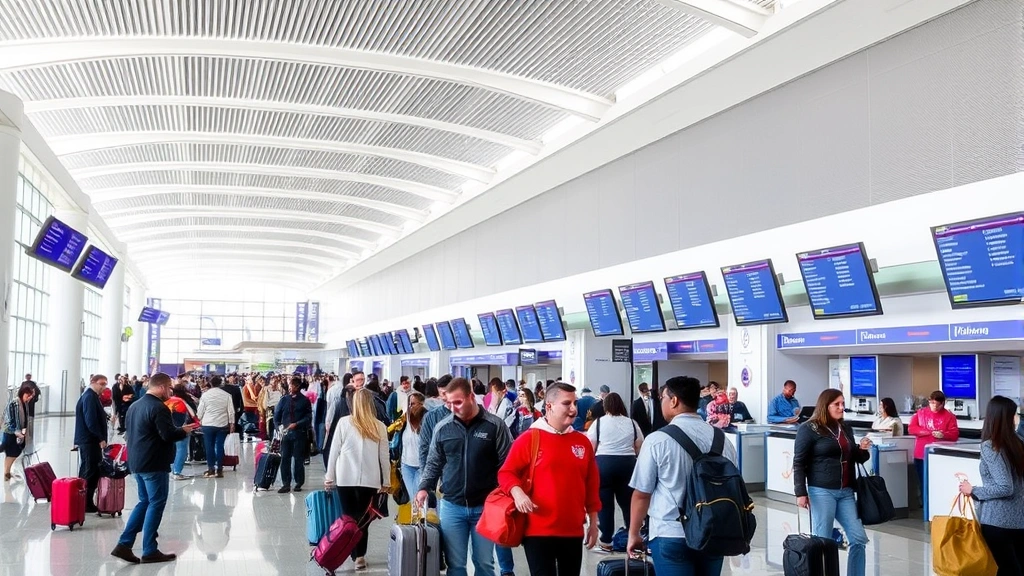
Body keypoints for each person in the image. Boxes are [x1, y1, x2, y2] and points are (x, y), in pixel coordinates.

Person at [627, 376, 738, 575]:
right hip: (714, 532)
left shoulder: (657, 440)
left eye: (663, 398)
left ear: (674, 401)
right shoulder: (723, 440)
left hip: (670, 533)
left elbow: (642, 494)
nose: (661, 402)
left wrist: (634, 533)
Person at [498, 382, 600, 575]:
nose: (573, 409)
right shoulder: (529, 439)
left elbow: (591, 484)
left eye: (575, 403)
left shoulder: (582, 442)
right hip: (538, 531)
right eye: (567, 403)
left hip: (573, 531)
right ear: (549, 406)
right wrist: (517, 492)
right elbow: (506, 473)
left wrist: (593, 523)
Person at [415, 377, 512, 576]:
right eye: (449, 403)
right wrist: (424, 487)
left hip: (485, 507)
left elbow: (507, 464)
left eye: (457, 402)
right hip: (452, 506)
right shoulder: (443, 427)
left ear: (471, 396)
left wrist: (506, 495)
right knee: (456, 565)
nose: (453, 408)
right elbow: (433, 462)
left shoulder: (495, 426)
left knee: (484, 563)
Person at [110, 372, 199, 564]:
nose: (170, 392)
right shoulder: (159, 408)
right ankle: (149, 549)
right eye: (168, 388)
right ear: (160, 387)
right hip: (153, 462)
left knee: (144, 502)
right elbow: (167, 435)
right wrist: (182, 431)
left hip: (137, 462)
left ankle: (124, 544)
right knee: (156, 503)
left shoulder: (135, 405)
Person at [793, 389, 872, 576]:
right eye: (837, 404)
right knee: (823, 540)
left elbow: (855, 457)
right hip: (821, 491)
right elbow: (799, 462)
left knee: (858, 538)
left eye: (843, 403)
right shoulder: (809, 429)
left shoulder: (845, 428)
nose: (841, 407)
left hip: (845, 491)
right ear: (825, 405)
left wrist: (862, 449)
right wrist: (800, 492)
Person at [325, 389, 390, 571]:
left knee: (348, 518)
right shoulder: (379, 426)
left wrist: (329, 476)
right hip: (370, 480)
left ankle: (347, 551)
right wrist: (386, 481)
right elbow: (384, 456)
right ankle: (359, 557)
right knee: (363, 521)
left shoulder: (344, 423)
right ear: (371, 404)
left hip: (345, 478)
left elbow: (334, 451)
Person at [958, 396, 1024, 576]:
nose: (1016, 419)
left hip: (997, 520)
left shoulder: (991, 447)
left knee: (1007, 569)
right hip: (1018, 520)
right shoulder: (1017, 444)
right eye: (1014, 415)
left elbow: (1005, 487)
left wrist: (973, 490)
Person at [586, 392, 642, 552]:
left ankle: (606, 541)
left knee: (605, 505)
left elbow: (591, 447)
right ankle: (632, 537)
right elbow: (639, 445)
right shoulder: (631, 423)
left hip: (603, 465)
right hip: (627, 465)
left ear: (605, 406)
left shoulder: (598, 423)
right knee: (628, 503)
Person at [908, 390, 959, 499]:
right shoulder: (921, 413)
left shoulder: (950, 416)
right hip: (921, 454)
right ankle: (925, 504)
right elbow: (911, 429)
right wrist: (927, 432)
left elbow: (954, 435)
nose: (933, 406)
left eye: (936, 404)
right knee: (923, 481)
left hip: (940, 455)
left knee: (938, 482)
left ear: (942, 404)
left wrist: (943, 435)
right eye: (931, 403)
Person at [74, 375, 109, 511]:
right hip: (90, 441)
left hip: (89, 440)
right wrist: (100, 438)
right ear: (93, 382)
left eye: (105, 384)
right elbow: (91, 421)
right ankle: (85, 502)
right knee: (89, 470)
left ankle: (85, 500)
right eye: (101, 384)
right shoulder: (89, 397)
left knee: (90, 469)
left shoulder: (91, 396)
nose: (104, 387)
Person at [274, 376, 313, 493]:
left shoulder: (305, 401)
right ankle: (286, 483)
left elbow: (308, 417)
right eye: (290, 385)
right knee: (285, 458)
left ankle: (298, 482)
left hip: (299, 433)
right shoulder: (284, 400)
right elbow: (276, 417)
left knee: (298, 459)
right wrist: (278, 427)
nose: (291, 388)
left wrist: (297, 424)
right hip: (285, 434)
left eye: (293, 386)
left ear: (298, 387)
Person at [196, 375, 234, 479]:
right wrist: (232, 424)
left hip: (208, 424)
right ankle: (220, 469)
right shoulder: (227, 395)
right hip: (222, 424)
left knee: (209, 446)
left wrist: (199, 418)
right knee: (220, 446)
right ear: (220, 384)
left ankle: (211, 469)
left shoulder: (205, 395)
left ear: (211, 383)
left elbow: (200, 411)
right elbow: (231, 412)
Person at [393, 392, 426, 500]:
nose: (410, 407)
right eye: (409, 404)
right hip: (406, 465)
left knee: (417, 496)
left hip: (422, 466)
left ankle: (422, 516)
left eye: (413, 404)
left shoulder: (428, 420)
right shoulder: (404, 420)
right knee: (413, 499)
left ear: (421, 404)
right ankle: (419, 516)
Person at [166, 384, 199, 480]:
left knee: (172, 450)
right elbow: (193, 413)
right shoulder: (185, 401)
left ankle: (171, 469)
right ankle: (176, 471)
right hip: (183, 428)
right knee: (182, 450)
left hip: (168, 428)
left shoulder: (168, 401)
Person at [3, 385, 35, 480]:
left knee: (14, 452)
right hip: (10, 432)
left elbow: (24, 419)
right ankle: (6, 474)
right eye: (27, 395)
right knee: (11, 453)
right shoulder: (14, 403)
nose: (28, 398)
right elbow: (12, 420)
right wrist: (17, 432)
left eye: (30, 396)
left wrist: (23, 432)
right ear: (22, 393)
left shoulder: (24, 403)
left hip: (18, 433)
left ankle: (7, 472)